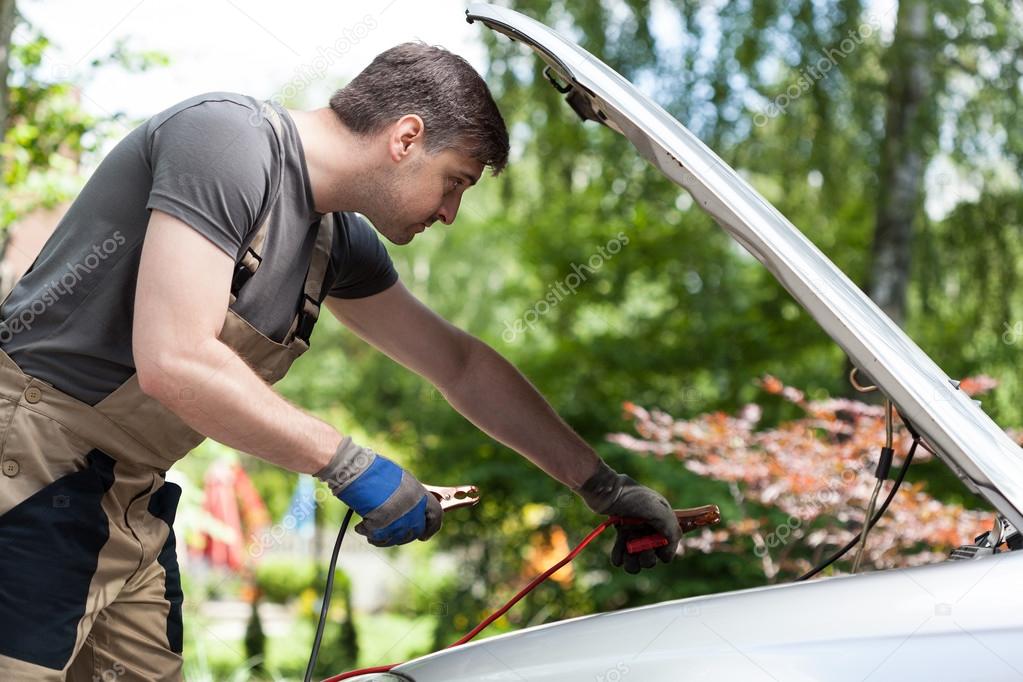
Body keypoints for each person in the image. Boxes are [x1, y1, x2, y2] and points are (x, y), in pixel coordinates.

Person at [0, 42, 680, 681]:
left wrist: (601, 485)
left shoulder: (336, 242)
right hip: (31, 462)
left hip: (127, 497)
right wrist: (349, 463)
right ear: (405, 136)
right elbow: (175, 359)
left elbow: (459, 365)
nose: (449, 212)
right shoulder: (227, 141)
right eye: (455, 181)